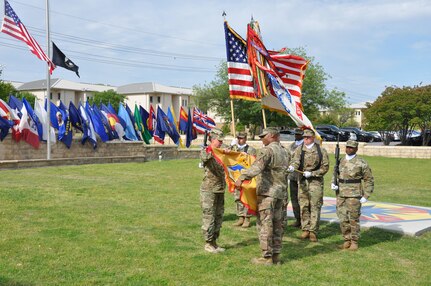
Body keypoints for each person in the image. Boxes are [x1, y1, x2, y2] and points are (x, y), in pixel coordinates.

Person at [234, 127, 290, 265]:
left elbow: (256, 168)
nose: (261, 139)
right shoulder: (285, 151)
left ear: (271, 136)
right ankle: (276, 255)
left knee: (265, 224)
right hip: (281, 193)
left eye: (263, 136)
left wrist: (241, 177)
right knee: (278, 224)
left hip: (267, 193)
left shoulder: (267, 150)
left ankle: (266, 257)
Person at [287, 128, 329, 242]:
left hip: (316, 182)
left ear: (313, 138)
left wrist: (313, 173)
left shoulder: (321, 150)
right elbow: (295, 161)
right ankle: (305, 229)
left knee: (315, 206)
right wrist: (293, 167)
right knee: (304, 205)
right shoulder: (299, 149)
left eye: (308, 137)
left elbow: (325, 167)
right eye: (304, 137)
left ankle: (313, 231)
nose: (306, 139)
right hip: (303, 181)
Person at [331, 140, 374, 251]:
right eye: (347, 147)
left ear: (356, 149)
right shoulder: (340, 160)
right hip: (340, 194)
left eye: (351, 147)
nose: (349, 149)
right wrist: (333, 183)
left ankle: (354, 241)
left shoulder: (361, 162)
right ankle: (346, 239)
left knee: (353, 219)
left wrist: (366, 195)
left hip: (354, 194)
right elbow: (335, 173)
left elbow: (368, 180)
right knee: (342, 218)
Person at [200, 128, 227, 254]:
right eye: (219, 141)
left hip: (220, 189)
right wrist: (212, 149)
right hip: (209, 190)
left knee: (218, 216)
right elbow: (204, 158)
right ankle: (208, 243)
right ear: (212, 139)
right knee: (209, 216)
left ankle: (214, 242)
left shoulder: (221, 151)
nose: (221, 143)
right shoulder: (206, 150)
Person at [230, 131, 257, 228]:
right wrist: (231, 146)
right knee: (237, 197)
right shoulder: (234, 148)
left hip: (246, 176)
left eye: (242, 138)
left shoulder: (251, 149)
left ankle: (247, 218)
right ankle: (240, 217)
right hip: (236, 176)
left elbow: (253, 163)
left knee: (246, 197)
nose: (240, 140)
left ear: (245, 138)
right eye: (238, 138)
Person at [288, 128, 304, 228]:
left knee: (303, 199)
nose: (296, 136)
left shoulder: (305, 146)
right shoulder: (291, 146)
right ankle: (297, 219)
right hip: (293, 176)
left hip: (302, 176)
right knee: (294, 199)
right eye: (296, 134)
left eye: (298, 134)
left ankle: (305, 220)